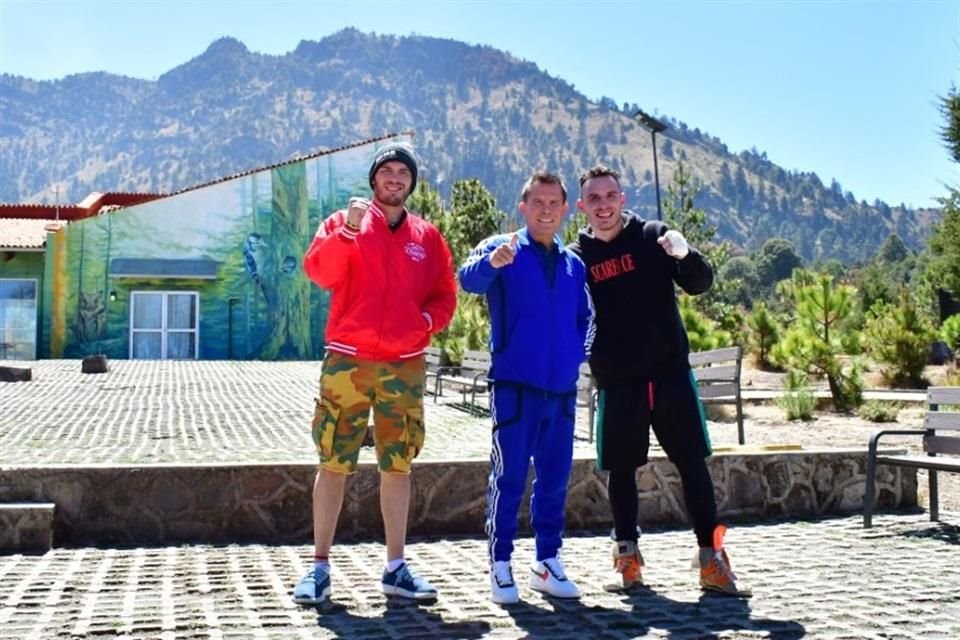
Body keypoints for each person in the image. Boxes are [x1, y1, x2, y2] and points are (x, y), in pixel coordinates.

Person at [569, 165, 751, 597]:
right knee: (621, 471)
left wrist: (686, 256)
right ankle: (627, 561)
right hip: (618, 383)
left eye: (610, 196)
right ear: (582, 206)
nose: (603, 205)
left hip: (670, 377)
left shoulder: (654, 236)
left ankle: (711, 559)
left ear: (623, 198)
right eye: (594, 198)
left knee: (692, 465)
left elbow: (700, 283)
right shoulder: (577, 257)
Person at [293, 142, 457, 605]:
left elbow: (445, 294)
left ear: (411, 183)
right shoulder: (343, 223)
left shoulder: (427, 237)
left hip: (403, 364)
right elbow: (319, 272)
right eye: (387, 170)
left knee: (398, 463)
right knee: (333, 460)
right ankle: (319, 568)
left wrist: (424, 323)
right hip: (348, 361)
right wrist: (347, 230)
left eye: (404, 172)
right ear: (374, 179)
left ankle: (396, 568)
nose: (395, 178)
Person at [458, 171, 595, 605]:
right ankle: (500, 564)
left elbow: (586, 318)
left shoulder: (574, 264)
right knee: (509, 477)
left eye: (554, 203)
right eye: (538, 202)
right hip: (515, 386)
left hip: (561, 390)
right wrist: (491, 264)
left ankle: (547, 562)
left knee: (555, 479)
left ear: (566, 209)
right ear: (523, 206)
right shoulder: (503, 248)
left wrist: (575, 356)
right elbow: (467, 279)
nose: (546, 210)